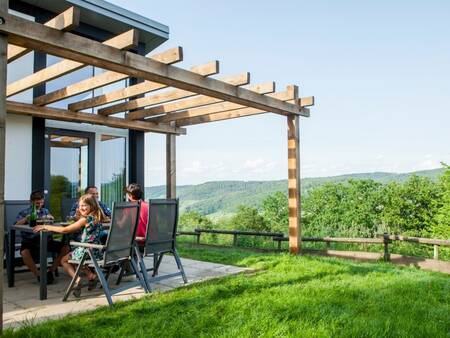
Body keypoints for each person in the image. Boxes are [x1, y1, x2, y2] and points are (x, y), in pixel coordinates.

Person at [33, 194, 108, 297]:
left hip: (86, 251)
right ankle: (91, 275)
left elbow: (65, 230)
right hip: (95, 251)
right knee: (77, 256)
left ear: (92, 205)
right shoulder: (97, 217)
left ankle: (78, 280)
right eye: (80, 205)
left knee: (64, 260)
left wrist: (46, 226)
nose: (81, 208)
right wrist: (80, 217)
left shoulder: (85, 220)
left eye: (85, 205)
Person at [15, 190, 70, 284]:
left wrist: (51, 218)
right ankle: (39, 275)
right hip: (30, 241)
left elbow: (52, 220)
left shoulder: (45, 211)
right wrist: (26, 218)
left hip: (46, 240)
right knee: (24, 253)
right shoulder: (24, 212)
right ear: (31, 201)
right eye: (37, 203)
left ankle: (50, 271)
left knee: (66, 248)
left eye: (41, 202)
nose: (40, 205)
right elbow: (16, 225)